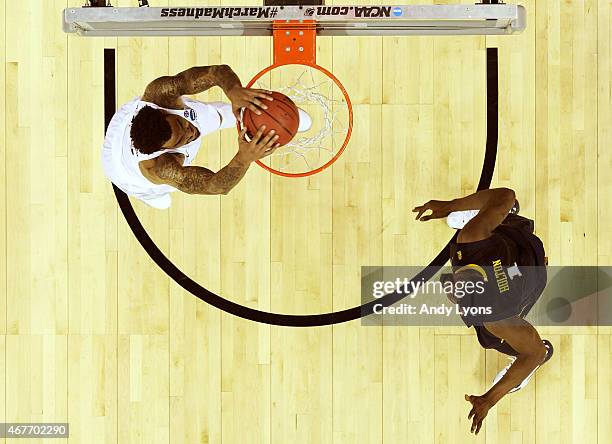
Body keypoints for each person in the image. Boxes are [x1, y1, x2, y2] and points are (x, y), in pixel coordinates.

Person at [413, 188, 553, 435]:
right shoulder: (471, 239)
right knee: (502, 209)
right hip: (522, 248)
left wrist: (490, 398)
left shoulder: (494, 320)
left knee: (495, 342)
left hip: (530, 273)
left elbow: (536, 351)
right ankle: (496, 215)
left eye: (454, 291)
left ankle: (518, 370)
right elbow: (506, 195)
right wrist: (449, 205)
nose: (451, 289)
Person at [102, 64, 311, 209]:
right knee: (161, 199)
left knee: (213, 114)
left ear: (163, 111)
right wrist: (243, 159)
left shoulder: (159, 94)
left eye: (181, 124)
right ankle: (150, 197)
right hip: (125, 173)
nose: (190, 132)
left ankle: (270, 121)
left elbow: (216, 72)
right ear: (164, 150)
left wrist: (233, 89)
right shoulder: (161, 167)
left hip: (128, 120)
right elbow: (215, 186)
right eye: (181, 139)